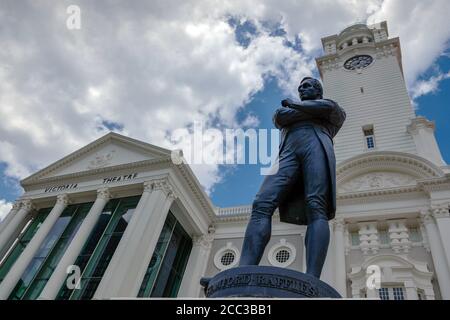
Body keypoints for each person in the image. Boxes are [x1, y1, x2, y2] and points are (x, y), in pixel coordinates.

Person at [239, 77, 346, 278]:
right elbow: (280, 116)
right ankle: (242, 271)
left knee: (316, 206)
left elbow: (332, 109)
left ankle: (312, 277)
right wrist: (309, 110)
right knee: (261, 203)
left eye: (307, 86)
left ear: (318, 91)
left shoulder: (328, 108)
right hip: (287, 154)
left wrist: (294, 104)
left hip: (316, 146)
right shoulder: (303, 111)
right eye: (300, 87)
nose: (301, 89)